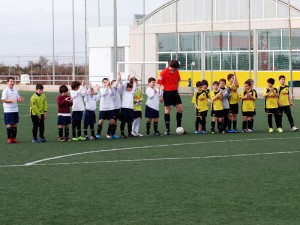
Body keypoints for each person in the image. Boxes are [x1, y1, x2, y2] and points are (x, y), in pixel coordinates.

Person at [157, 60, 185, 135]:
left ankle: (179, 127)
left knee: (180, 109)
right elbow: (159, 84)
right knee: (167, 110)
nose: (175, 70)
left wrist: (177, 90)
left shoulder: (176, 71)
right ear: (171, 67)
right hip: (167, 93)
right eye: (174, 69)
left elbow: (178, 81)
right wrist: (160, 96)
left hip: (175, 92)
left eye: (176, 69)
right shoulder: (163, 72)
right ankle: (167, 129)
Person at [1, 77, 24, 144]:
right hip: (8, 110)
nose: (12, 83)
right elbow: (3, 99)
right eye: (11, 81)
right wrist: (11, 100)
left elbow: (18, 98)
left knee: (14, 124)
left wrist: (20, 99)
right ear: (7, 82)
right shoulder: (5, 90)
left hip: (15, 109)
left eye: (13, 81)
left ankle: (14, 138)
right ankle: (9, 139)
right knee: (9, 125)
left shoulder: (15, 90)